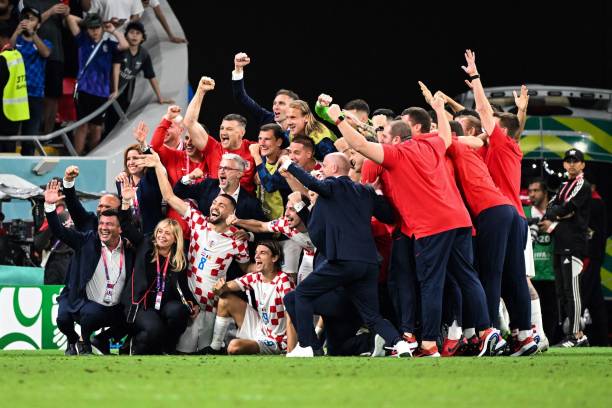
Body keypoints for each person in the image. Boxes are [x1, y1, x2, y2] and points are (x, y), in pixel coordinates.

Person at [334, 96, 500, 357]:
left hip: (430, 226)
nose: (382, 139)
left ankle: (429, 344)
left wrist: (337, 118)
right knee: (467, 277)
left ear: (398, 139)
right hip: (459, 220)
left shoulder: (396, 155)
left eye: (386, 135)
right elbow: (445, 134)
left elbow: (359, 144)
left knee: (431, 284)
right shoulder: (433, 144)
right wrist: (438, 109)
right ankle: (487, 331)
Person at [275, 152, 411, 358]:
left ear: (335, 169)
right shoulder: (363, 191)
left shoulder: (334, 186)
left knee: (301, 294)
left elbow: (313, 184)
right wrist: (377, 194)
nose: (322, 171)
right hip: (368, 262)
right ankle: (400, 344)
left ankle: (308, 346)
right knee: (372, 315)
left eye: (325, 166)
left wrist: (289, 164)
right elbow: (388, 215)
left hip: (344, 260)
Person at [137, 151, 251, 353]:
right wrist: (158, 166)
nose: (215, 206)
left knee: (209, 353)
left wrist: (260, 259)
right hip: (189, 303)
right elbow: (169, 196)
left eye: (221, 205)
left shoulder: (237, 240)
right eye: (214, 203)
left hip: (213, 308)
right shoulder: (198, 222)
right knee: (182, 352)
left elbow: (245, 269)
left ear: (231, 213)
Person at [44, 179, 133, 355]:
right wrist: (49, 206)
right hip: (79, 295)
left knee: (102, 314)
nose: (104, 227)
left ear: (120, 227)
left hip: (113, 303)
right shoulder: (87, 238)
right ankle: (74, 341)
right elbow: (60, 231)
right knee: (63, 319)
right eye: (101, 223)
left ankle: (92, 342)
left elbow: (128, 223)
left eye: (109, 224)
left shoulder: (129, 246)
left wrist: (127, 202)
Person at [121, 214, 199, 355]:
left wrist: (193, 303)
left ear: (175, 239)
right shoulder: (144, 245)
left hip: (164, 304)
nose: (162, 235)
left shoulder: (178, 259)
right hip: (142, 305)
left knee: (179, 311)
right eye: (160, 231)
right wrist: (125, 203)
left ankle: (168, 348)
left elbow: (182, 285)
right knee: (155, 330)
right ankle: (135, 343)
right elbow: (125, 226)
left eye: (168, 233)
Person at [540, 148, 591, 348]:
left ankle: (577, 335)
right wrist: (559, 213)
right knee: (562, 290)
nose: (571, 164)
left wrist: (559, 212)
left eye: (575, 161)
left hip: (574, 243)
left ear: (582, 165)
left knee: (573, 291)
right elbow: (551, 209)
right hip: (561, 243)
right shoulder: (563, 185)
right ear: (563, 164)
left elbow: (567, 207)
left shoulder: (582, 185)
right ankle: (573, 335)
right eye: (568, 161)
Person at [207, 241, 294, 355]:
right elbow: (224, 288)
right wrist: (218, 288)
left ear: (274, 258)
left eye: (262, 253)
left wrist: (291, 352)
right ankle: (215, 348)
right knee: (225, 299)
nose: (256, 256)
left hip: (277, 340)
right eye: (256, 252)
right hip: (260, 328)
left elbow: (292, 315)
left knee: (234, 347)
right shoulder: (255, 277)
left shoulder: (284, 280)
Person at [65, 12, 128, 154]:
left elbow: (124, 45)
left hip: (101, 92)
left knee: (97, 128)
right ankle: (77, 157)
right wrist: (88, 22)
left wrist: (112, 30)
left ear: (102, 28)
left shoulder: (108, 44)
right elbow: (70, 18)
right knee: (82, 126)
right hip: (84, 90)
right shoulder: (83, 40)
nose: (94, 31)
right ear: (87, 28)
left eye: (97, 27)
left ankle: (93, 157)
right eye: (91, 28)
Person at [183, 76, 257, 193]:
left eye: (229, 129)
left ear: (241, 133)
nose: (223, 132)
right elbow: (189, 122)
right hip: (216, 206)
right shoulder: (213, 148)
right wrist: (200, 91)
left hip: (243, 207)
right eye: (222, 128)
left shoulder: (253, 149)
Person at [227, 191, 315, 284]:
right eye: (286, 209)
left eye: (292, 209)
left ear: (303, 209)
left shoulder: (318, 221)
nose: (286, 214)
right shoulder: (284, 224)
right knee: (303, 289)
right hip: (310, 254)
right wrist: (238, 221)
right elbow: (261, 226)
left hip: (325, 255)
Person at [105, 20, 172, 136]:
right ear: (126, 35)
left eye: (138, 33)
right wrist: (115, 90)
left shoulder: (144, 55)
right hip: (106, 88)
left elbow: (151, 76)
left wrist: (160, 97)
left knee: (112, 120)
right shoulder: (121, 49)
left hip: (120, 92)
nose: (134, 36)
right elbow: (115, 69)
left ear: (143, 38)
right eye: (131, 32)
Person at [10, 6, 50, 155]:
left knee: (30, 136)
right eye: (25, 18)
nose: (27, 21)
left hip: (35, 94)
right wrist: (15, 32)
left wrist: (33, 34)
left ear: (38, 25)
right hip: (15, 95)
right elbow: (7, 51)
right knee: (11, 134)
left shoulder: (44, 42)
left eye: (32, 19)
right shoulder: (16, 39)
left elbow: (45, 53)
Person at [525, 178, 558, 345]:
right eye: (530, 191)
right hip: (531, 273)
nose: (531, 194)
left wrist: (554, 226)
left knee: (551, 312)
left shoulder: (557, 214)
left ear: (545, 193)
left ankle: (549, 341)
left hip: (552, 272)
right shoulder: (524, 212)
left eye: (535, 191)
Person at [232, 52, 298, 131]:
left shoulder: (304, 128)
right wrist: (238, 68)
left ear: (294, 109)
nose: (275, 107)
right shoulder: (266, 118)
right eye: (274, 103)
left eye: (281, 103)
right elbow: (241, 96)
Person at [0, 21, 29, 151]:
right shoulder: (17, 55)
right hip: (16, 114)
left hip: (4, 114)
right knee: (10, 151)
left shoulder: (3, 59)